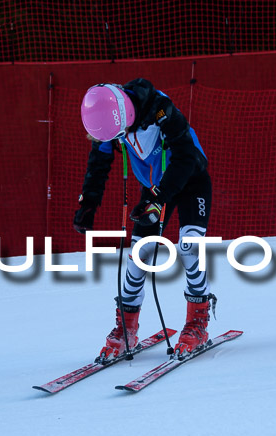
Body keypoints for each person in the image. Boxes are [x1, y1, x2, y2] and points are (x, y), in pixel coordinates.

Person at [73, 79, 215, 361]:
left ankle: (198, 321)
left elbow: (187, 158)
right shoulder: (109, 120)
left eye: (122, 133)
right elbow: (99, 163)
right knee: (140, 255)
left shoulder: (159, 109)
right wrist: (88, 204)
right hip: (155, 188)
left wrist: (159, 196)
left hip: (189, 180)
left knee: (189, 247)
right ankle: (126, 328)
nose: (121, 138)